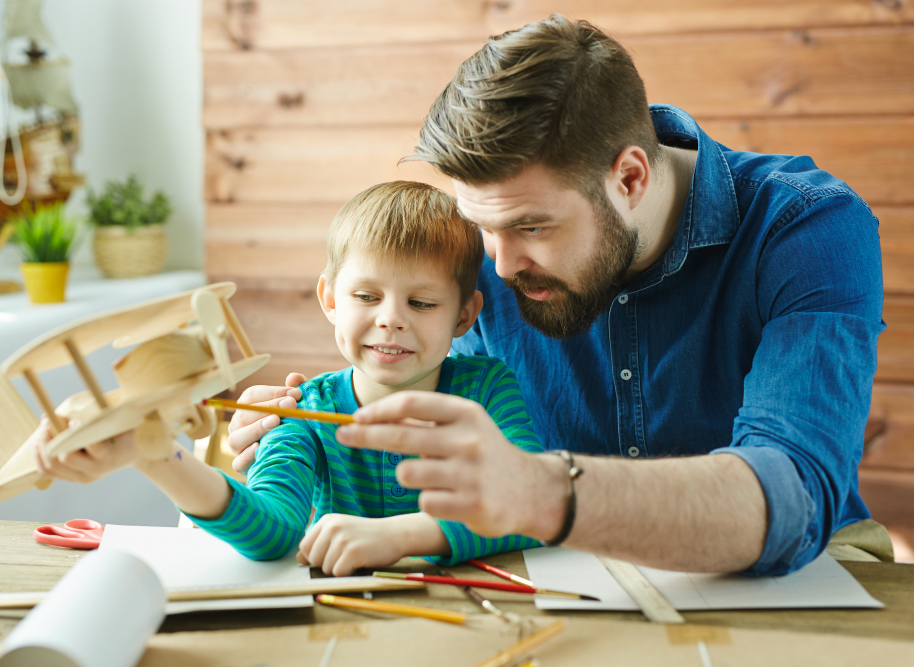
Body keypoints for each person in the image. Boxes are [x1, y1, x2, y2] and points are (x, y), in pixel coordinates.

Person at [232, 16, 892, 576]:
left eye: (532, 226)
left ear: (630, 177)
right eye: (482, 225)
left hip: (800, 578)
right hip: (554, 573)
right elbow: (430, 441)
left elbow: (794, 495)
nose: (499, 262)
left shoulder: (808, 227)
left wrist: (546, 492)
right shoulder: (490, 250)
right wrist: (298, 432)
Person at [32, 181, 543, 575]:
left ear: (463, 316)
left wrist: (402, 536)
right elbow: (272, 533)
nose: (391, 318)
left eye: (422, 302)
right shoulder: (301, 410)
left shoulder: (488, 388)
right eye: (366, 297)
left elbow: (534, 501)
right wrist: (156, 457)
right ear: (329, 299)